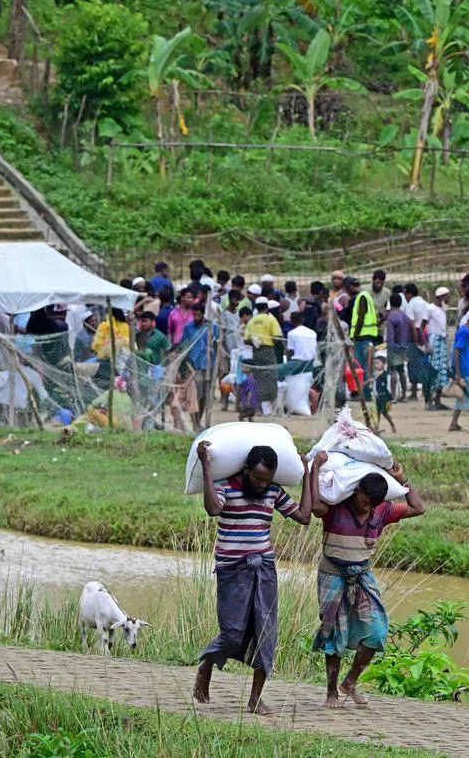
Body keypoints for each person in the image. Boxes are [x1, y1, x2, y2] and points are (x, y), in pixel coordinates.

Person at [193, 443, 312, 715]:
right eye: (257, 478)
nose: (261, 484)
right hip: (232, 569)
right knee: (233, 632)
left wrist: (307, 473)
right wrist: (207, 466)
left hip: (264, 568)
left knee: (266, 633)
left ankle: (255, 699)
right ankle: (207, 664)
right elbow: (213, 509)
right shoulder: (226, 487)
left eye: (266, 479)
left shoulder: (273, 491)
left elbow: (304, 517)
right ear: (246, 470)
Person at [308, 453, 424, 708]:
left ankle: (349, 682)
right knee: (334, 634)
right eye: (365, 501)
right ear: (356, 491)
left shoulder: (382, 511)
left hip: (362, 575)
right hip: (332, 574)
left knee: (377, 631)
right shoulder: (336, 508)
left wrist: (403, 480)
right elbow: (315, 506)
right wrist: (315, 467)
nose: (368, 508)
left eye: (373, 505)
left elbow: (419, 508)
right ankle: (331, 693)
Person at [174, 303, 218, 432]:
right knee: (195, 395)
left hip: (208, 363)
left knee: (205, 395)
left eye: (199, 314)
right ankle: (195, 422)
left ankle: (199, 420)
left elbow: (217, 342)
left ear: (204, 313)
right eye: (195, 315)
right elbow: (184, 344)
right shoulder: (188, 327)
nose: (197, 317)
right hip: (194, 364)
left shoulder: (211, 326)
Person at [245, 296, 282, 416]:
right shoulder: (270, 319)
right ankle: (270, 406)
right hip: (268, 350)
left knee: (259, 378)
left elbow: (246, 339)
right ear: (267, 308)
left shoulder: (251, 321)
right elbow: (277, 337)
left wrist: (256, 341)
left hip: (256, 352)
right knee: (271, 376)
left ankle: (260, 407)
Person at [425, 287, 451, 410]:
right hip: (434, 341)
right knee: (434, 371)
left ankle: (438, 400)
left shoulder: (442, 309)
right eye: (447, 296)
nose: (449, 298)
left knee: (442, 370)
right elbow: (422, 327)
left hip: (443, 341)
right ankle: (429, 401)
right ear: (440, 296)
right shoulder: (430, 309)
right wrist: (426, 344)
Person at [384, 293, 412, 402]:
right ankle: (404, 395)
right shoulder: (404, 316)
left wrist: (390, 345)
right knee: (401, 371)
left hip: (394, 346)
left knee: (393, 371)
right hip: (404, 346)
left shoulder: (391, 316)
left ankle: (393, 395)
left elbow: (390, 335)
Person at [372, 354, 396, 433]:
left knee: (384, 413)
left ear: (384, 364)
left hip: (384, 396)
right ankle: (376, 427)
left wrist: (376, 377)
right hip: (378, 396)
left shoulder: (384, 374)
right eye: (375, 364)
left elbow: (385, 383)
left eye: (377, 363)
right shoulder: (377, 374)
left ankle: (392, 424)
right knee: (377, 412)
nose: (376, 365)